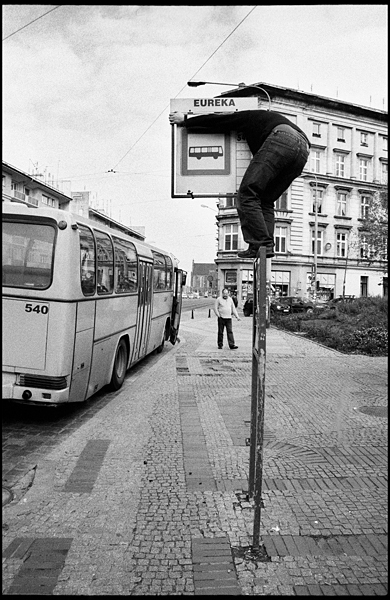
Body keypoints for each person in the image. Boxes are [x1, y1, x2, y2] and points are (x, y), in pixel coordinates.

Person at [169, 109, 310, 259]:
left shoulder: (248, 116)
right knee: (266, 200)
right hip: (304, 150)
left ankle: (261, 243)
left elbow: (218, 120)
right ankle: (264, 246)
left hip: (283, 138)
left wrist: (185, 120)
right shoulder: (266, 121)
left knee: (247, 193)